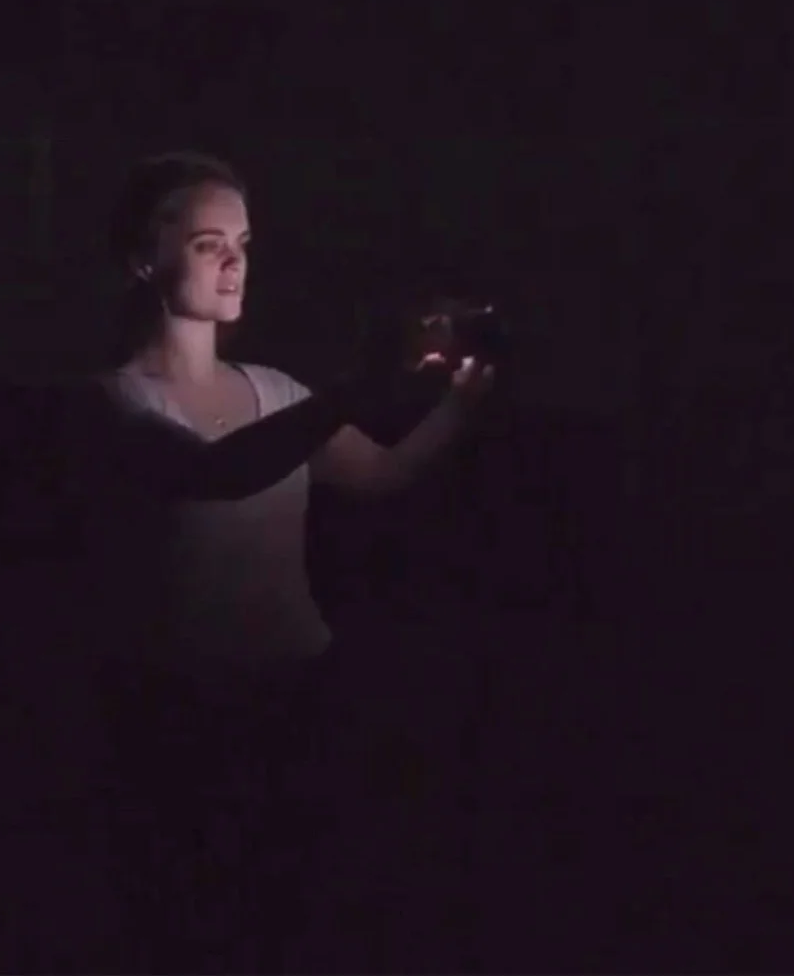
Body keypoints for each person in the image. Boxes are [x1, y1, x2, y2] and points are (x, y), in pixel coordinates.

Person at [76, 151, 495, 971]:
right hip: (174, 710)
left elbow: (379, 472)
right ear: (142, 259)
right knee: (183, 916)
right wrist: (353, 388)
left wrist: (460, 401)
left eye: (242, 244)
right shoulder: (110, 402)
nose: (234, 263)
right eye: (207, 244)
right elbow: (217, 472)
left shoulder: (276, 390)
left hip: (293, 691)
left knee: (285, 909)